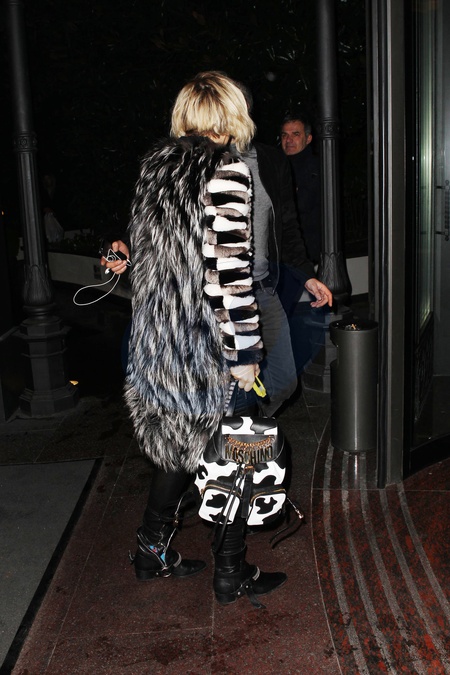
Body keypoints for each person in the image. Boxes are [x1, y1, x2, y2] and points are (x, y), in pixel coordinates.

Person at [103, 72, 332, 608]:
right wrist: (246, 355)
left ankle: (151, 551)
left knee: (178, 442)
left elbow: (153, 254)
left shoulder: (156, 168)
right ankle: (231, 572)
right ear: (231, 115)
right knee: (240, 449)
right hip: (210, 342)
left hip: (161, 339)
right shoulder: (227, 172)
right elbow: (230, 277)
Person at [280, 114, 321, 265]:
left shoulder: (317, 168)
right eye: (285, 135)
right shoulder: (276, 166)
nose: (288, 140)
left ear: (308, 139)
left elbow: (301, 206)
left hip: (307, 253)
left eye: (295, 134)